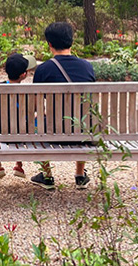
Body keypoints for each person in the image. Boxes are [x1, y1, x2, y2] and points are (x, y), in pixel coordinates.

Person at [30, 22, 96, 190]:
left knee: (38, 121)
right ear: (72, 41)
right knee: (82, 113)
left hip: (53, 132)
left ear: (49, 43)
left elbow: (37, 104)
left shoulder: (43, 69)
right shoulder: (87, 67)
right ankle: (80, 175)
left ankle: (47, 175)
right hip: (83, 131)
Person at [0, 53, 37, 180]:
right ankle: (18, 165)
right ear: (23, 75)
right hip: (22, 133)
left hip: (0, 133)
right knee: (24, 123)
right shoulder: (28, 93)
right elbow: (34, 110)